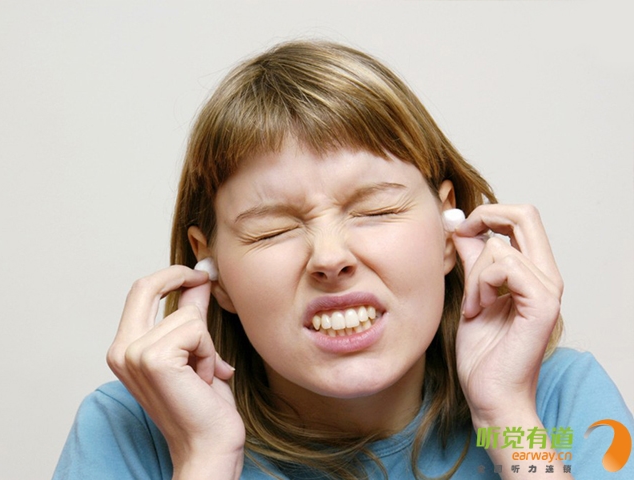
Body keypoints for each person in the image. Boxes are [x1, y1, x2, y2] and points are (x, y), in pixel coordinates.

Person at [53, 40, 633, 479]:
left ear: (448, 228)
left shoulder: (561, 399)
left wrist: (506, 417)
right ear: (214, 271)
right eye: (274, 229)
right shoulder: (129, 428)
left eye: (376, 210)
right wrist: (205, 459)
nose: (329, 258)